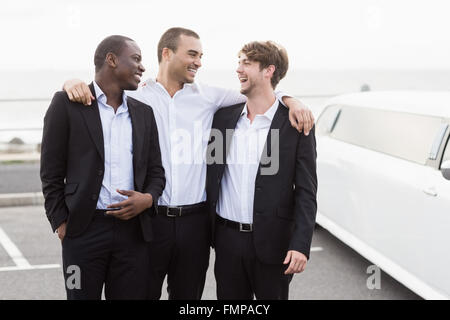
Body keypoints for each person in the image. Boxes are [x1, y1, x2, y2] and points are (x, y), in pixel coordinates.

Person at [62, 27, 315, 300]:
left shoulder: (210, 98)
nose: (199, 62)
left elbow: (261, 95)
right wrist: (72, 84)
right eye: (192, 54)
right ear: (167, 53)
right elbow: (100, 93)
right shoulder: (135, 95)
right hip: (150, 221)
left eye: (201, 55)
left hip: (196, 225)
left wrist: (292, 101)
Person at [40, 35, 165, 300]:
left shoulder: (144, 112)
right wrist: (60, 221)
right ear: (111, 59)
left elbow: (156, 171)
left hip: (133, 234)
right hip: (82, 232)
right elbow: (50, 170)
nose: (142, 67)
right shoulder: (66, 104)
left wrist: (148, 198)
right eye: (136, 59)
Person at [206, 41, 317, 299]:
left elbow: (306, 191)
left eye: (246, 63)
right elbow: (212, 174)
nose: (238, 69)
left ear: (269, 70)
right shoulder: (223, 119)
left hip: (273, 244)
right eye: (239, 62)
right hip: (227, 243)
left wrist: (300, 245)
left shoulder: (294, 124)